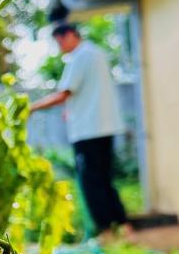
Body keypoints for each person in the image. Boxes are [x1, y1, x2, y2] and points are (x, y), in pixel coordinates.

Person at [30, 23, 131, 236]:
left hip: (88, 130)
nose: (60, 47)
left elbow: (63, 93)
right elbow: (86, 92)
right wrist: (72, 108)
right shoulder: (96, 53)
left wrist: (32, 107)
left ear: (69, 35)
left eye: (59, 42)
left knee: (91, 183)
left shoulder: (79, 57)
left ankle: (105, 232)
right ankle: (123, 226)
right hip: (105, 126)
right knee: (105, 179)